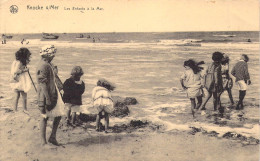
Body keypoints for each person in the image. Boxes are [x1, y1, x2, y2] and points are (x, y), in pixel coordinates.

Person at [36, 45, 65, 146]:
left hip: (52, 92)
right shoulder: (44, 65)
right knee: (44, 116)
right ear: (47, 55)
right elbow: (42, 83)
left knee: (59, 113)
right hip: (46, 94)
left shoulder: (47, 64)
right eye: (52, 55)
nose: (54, 57)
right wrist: (47, 98)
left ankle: (52, 137)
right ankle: (43, 142)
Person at [10, 48, 32, 112]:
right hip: (20, 81)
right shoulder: (19, 62)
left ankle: (15, 109)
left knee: (17, 95)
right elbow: (16, 71)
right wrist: (25, 70)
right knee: (24, 95)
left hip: (15, 80)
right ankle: (24, 109)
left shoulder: (16, 61)